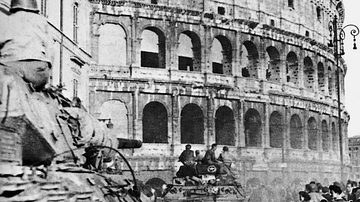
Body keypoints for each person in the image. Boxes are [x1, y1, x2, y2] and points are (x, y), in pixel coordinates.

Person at [0, 0, 53, 91]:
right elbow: (51, 50)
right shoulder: (42, 21)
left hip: (11, 67)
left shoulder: (7, 20)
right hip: (38, 71)